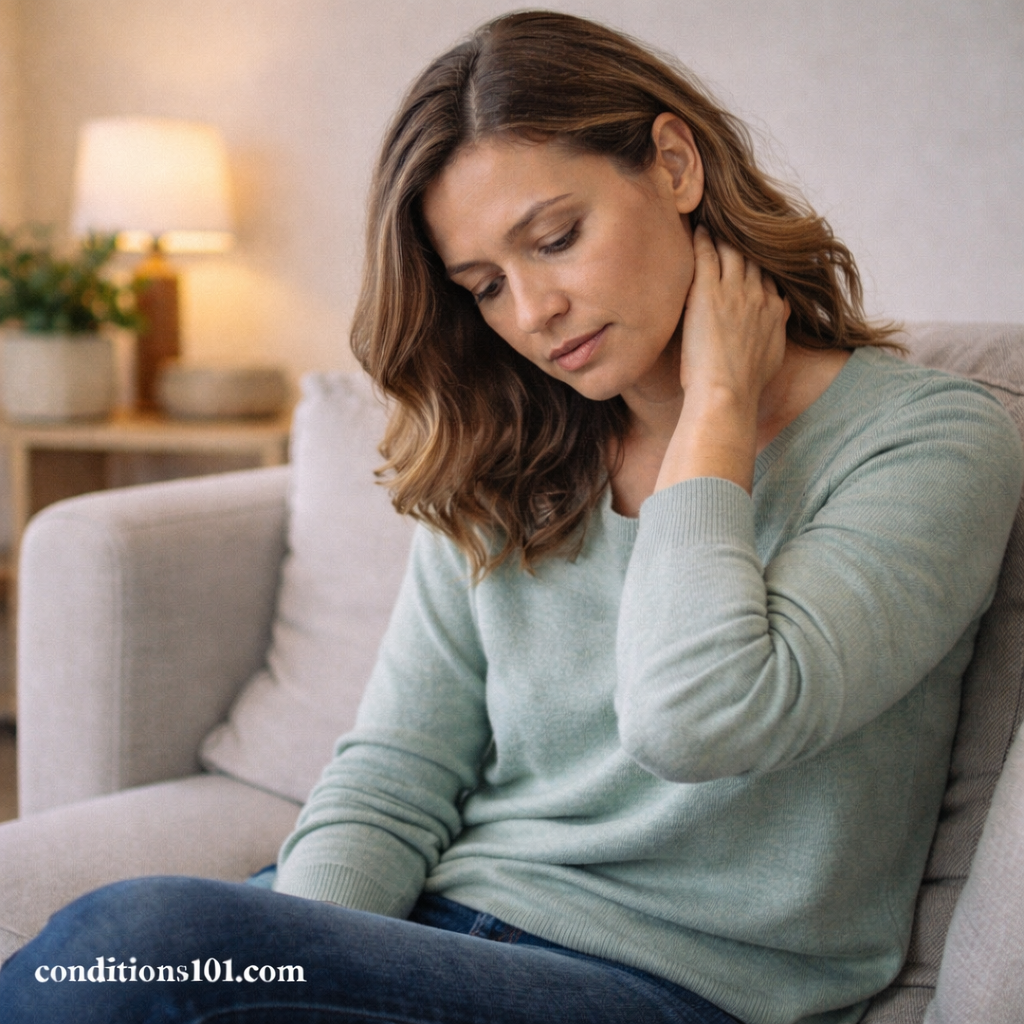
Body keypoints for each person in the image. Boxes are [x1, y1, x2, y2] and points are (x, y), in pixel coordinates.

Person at [1, 10, 1021, 1024]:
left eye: (556, 239)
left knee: (137, 942)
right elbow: (397, 774)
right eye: (485, 284)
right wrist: (299, 952)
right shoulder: (517, 448)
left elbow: (699, 717)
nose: (532, 312)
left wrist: (712, 411)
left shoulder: (930, 442)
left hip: (675, 989)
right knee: (138, 978)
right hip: (429, 941)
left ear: (673, 164)